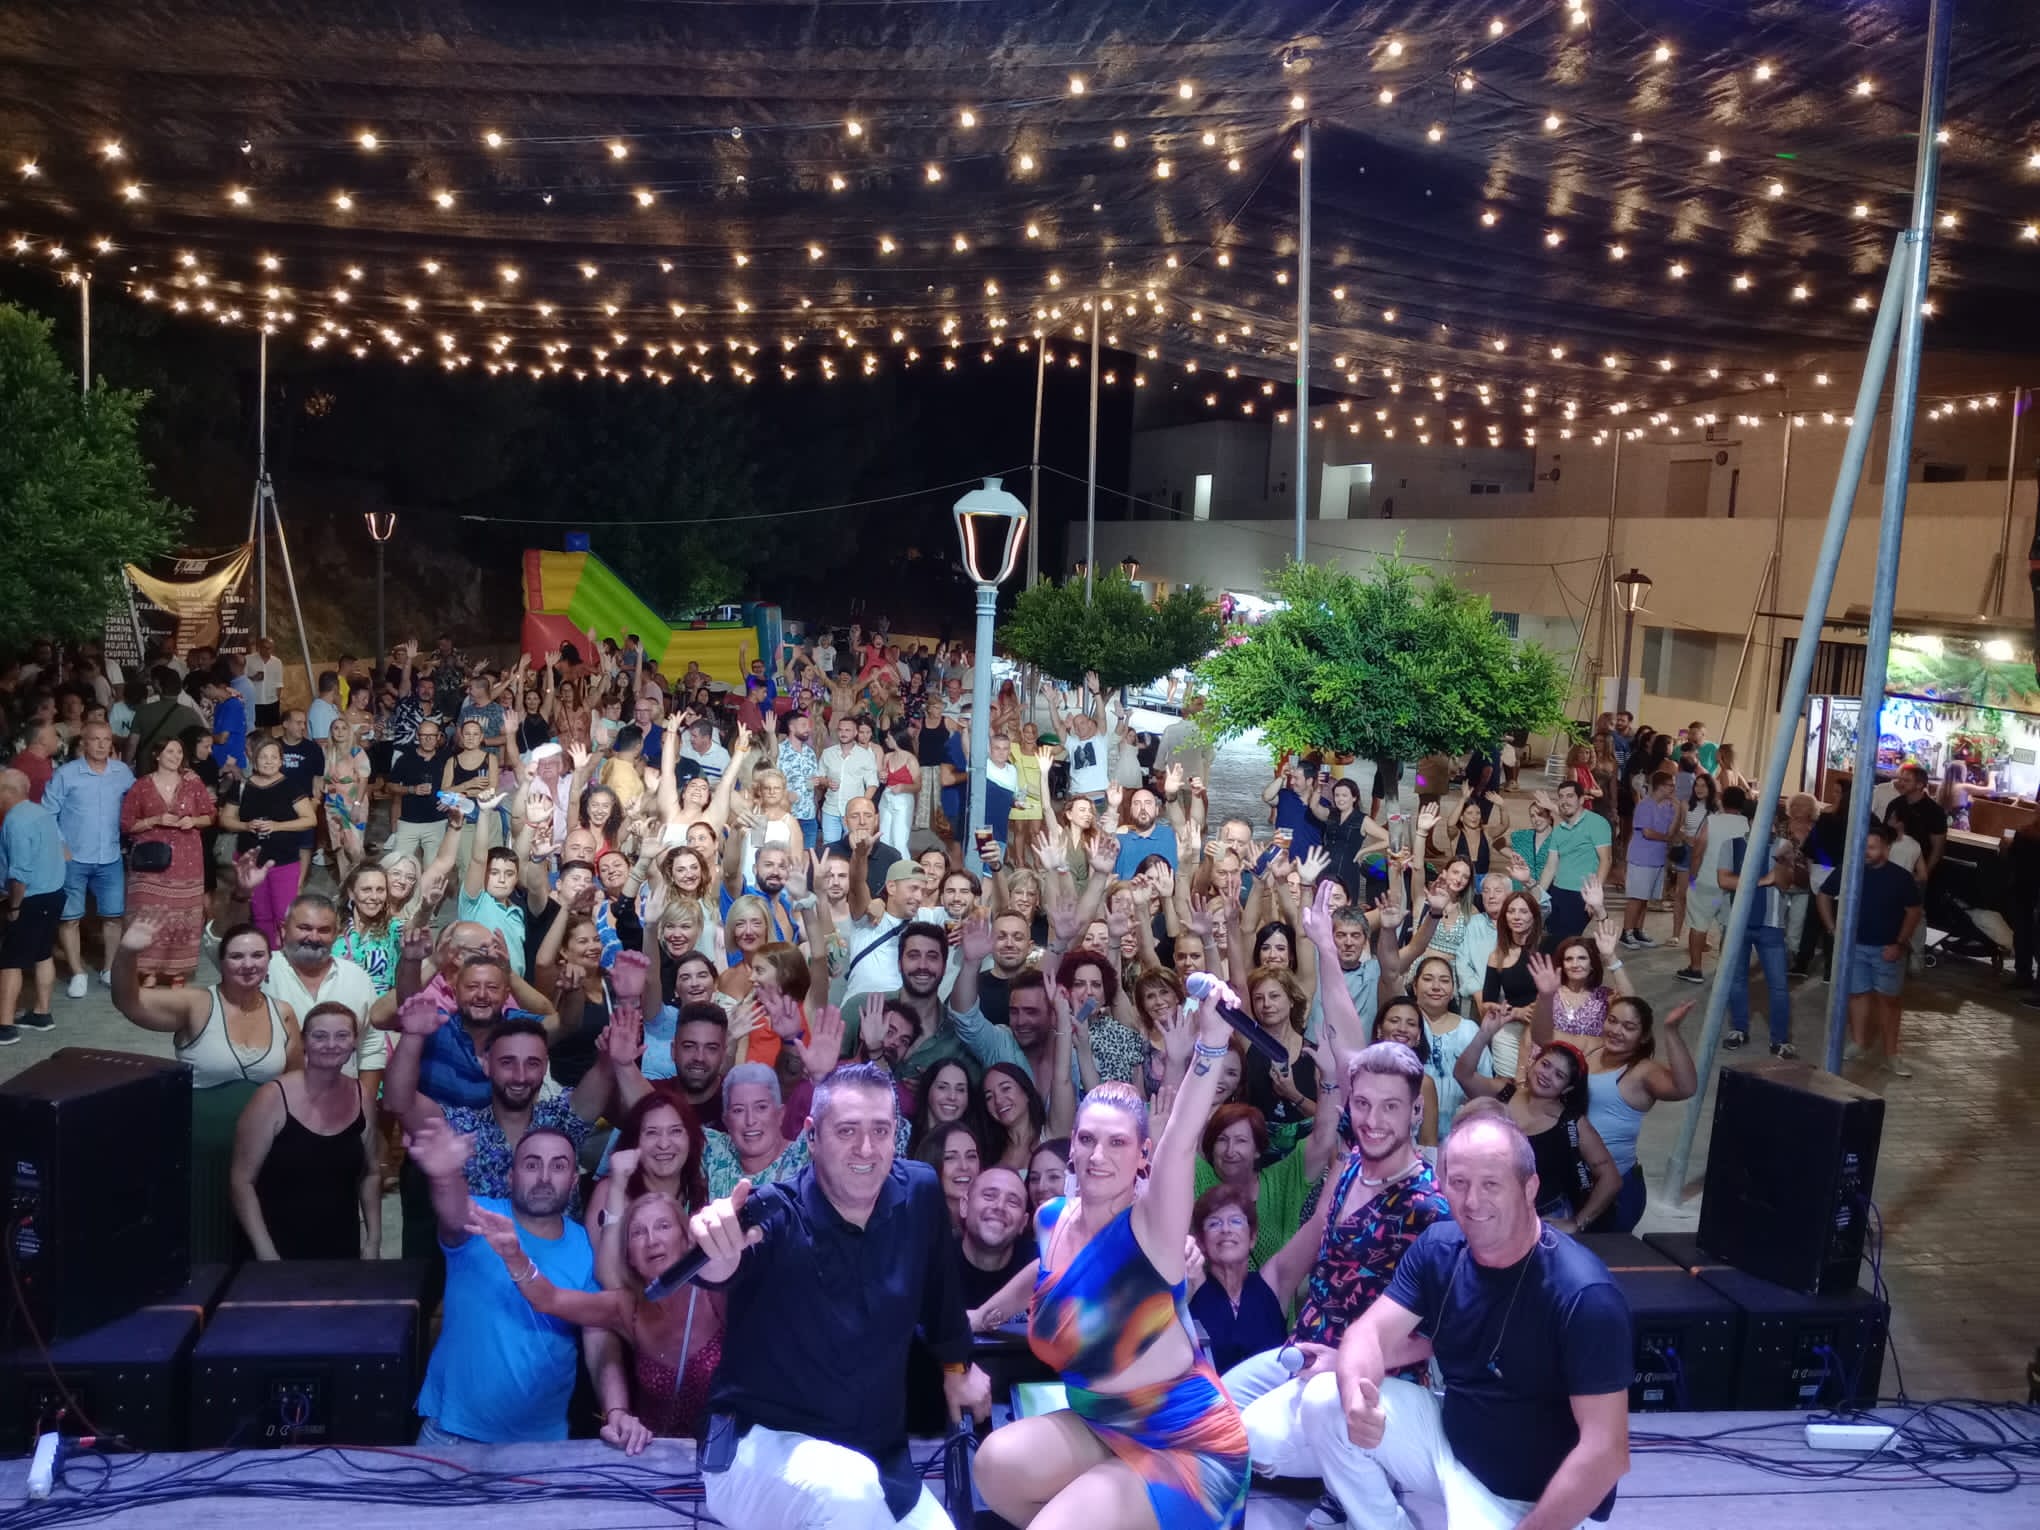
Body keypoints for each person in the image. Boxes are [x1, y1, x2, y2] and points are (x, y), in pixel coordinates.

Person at [974, 993, 1250, 1530]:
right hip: (1102, 1423)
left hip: (1187, 1443)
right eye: (1087, 1140)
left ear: (1142, 1155)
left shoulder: (1153, 1230)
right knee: (995, 1465)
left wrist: (1211, 1042)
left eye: (1118, 1143)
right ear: (1072, 1147)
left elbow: (1180, 1140)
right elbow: (1046, 1278)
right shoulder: (1050, 1218)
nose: (1099, 1156)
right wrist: (982, 1316)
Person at [689, 1062, 992, 1529]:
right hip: (755, 1452)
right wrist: (715, 1243)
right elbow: (721, 1266)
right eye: (847, 1130)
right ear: (812, 1136)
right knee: (848, 1492)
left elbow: (942, 1300)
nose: (866, 1148)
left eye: (880, 1131)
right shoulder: (773, 1212)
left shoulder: (920, 1193)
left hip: (878, 1462)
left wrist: (956, 1368)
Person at [1298, 1111, 1632, 1530]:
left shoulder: (1583, 1294)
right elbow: (1370, 1334)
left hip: (1538, 1501)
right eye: (1458, 1183)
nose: (1472, 1201)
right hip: (1454, 1451)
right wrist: (1356, 1399)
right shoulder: (1440, 1248)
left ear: (1530, 1187)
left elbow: (1606, 1452)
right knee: (1325, 1400)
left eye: (1491, 1184)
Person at [1218, 1042, 1451, 1513]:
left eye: (1390, 1106)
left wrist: (1343, 1361)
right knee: (1214, 1412)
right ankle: (1337, 1475)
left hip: (1370, 1374)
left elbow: (1438, 1334)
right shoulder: (1350, 1169)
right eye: (1363, 1103)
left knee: (1256, 1439)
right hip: (1305, 1348)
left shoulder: (1429, 1208)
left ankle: (1363, 1472)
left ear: (1416, 1111)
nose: (1373, 1119)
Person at [404, 1115, 633, 1447]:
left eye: (558, 1166)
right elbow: (453, 1213)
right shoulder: (483, 1218)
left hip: (544, 1444)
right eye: (531, 1164)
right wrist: (444, 1175)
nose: (544, 1177)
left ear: (573, 1181)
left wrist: (617, 1411)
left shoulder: (586, 1249)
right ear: (511, 1177)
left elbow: (600, 1346)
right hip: (451, 1435)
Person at [466, 1177, 724, 1443]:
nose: (652, 1240)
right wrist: (514, 1256)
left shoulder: (714, 1291)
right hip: (654, 1455)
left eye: (664, 1226)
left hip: (727, 1453)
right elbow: (548, 1299)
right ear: (629, 1257)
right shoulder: (626, 1307)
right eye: (638, 1233)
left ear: (686, 1240)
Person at [112, 914, 301, 1259]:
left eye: (257, 955)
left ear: (269, 961)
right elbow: (129, 1001)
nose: (248, 964)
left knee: (256, 1252)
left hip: (262, 1157)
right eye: (237, 956)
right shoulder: (197, 1004)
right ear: (221, 962)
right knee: (203, 1249)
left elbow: (295, 1084)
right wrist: (127, 953)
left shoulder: (283, 1013)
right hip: (200, 1156)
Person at [229, 1000, 380, 1259]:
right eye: (320, 1036)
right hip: (275, 1245)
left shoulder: (361, 1094)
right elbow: (241, 1182)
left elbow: (372, 1173)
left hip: (341, 1243)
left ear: (355, 1041)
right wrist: (267, 1254)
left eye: (342, 1036)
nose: (331, 1045)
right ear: (303, 1041)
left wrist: (373, 1241)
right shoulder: (271, 1097)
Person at [1455, 1002, 1620, 1234]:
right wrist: (1485, 1034)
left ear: (1567, 1088)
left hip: (1545, 1218)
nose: (1547, 1075)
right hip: (1492, 1209)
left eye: (1559, 1075)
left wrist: (1577, 1222)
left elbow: (1611, 1178)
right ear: (1533, 1063)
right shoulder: (1505, 1092)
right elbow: (1463, 1074)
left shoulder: (1571, 1123)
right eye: (1545, 1064)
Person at [1576, 995, 1696, 1233]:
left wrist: (1671, 1031)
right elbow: (1543, 1037)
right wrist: (1546, 996)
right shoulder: (1591, 1049)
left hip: (1616, 1190)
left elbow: (1686, 1088)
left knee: (1605, 1254)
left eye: (1629, 1027)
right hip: (1577, 1178)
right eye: (1612, 1021)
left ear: (1643, 1037)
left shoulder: (1643, 1071)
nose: (1616, 1031)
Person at [1817, 822, 1925, 1077]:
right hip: (1855, 947)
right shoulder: (1849, 870)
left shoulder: (1900, 877)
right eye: (1863, 846)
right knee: (1857, 995)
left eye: (1872, 847)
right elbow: (1823, 895)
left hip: (1887, 948)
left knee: (1889, 1001)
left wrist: (1899, 943)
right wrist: (1832, 929)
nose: (1866, 852)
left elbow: (1913, 912)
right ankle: (1858, 1041)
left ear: (1886, 849)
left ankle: (1891, 1054)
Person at [45, 720, 135, 998]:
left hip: (110, 856)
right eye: (95, 739)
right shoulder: (66, 774)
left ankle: (109, 969)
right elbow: (47, 812)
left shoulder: (122, 773)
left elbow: (139, 802)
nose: (101, 745)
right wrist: (60, 844)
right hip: (74, 857)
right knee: (69, 918)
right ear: (84, 743)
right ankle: (78, 973)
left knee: (113, 916)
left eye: (106, 740)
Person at [118, 734, 215, 986]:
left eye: (179, 752)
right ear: (157, 755)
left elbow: (210, 815)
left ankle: (176, 972)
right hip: (151, 859)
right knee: (148, 913)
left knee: (182, 915)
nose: (175, 757)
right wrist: (155, 820)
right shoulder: (141, 786)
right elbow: (127, 824)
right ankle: (148, 971)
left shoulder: (193, 783)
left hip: (187, 858)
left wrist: (193, 821)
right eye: (170, 751)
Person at [219, 737, 317, 946]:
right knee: (259, 914)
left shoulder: (291, 786)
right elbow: (226, 819)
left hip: (284, 861)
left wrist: (277, 826)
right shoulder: (242, 786)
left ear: (281, 761)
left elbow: (310, 819)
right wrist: (245, 826)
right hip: (251, 862)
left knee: (284, 914)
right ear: (254, 760)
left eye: (274, 757)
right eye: (264, 757)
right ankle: (266, 955)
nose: (269, 761)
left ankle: (286, 957)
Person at [1186, 1182, 1289, 1376]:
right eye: (1214, 1223)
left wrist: (1344, 1164)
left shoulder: (1274, 1280)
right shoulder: (1191, 1285)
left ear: (1252, 1238)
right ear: (1201, 1242)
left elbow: (1321, 1220)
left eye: (1235, 1221)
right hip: (1212, 1396)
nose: (1225, 1229)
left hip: (1275, 1394)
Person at [0, 767, 67, 1042]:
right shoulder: (42, 813)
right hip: (54, 893)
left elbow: (20, 872)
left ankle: (5, 1027)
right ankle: (41, 1013)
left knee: (10, 961)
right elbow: (64, 852)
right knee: (43, 953)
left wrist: (14, 907)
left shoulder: (15, 822)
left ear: (7, 792)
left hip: (30, 897)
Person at [956, 1164, 1035, 1314]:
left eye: (1013, 1202)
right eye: (989, 1196)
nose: (999, 1206)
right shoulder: (932, 1264)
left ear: (1023, 1223)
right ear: (965, 1206)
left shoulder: (1042, 1268)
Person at [1538, 782, 1610, 941]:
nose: (1564, 801)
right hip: (1556, 892)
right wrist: (1538, 896)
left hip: (1581, 894)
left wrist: (1594, 897)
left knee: (1567, 941)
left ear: (1582, 799)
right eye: (1561, 797)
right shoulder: (1559, 830)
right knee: (1550, 940)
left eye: (1570, 796)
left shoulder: (1597, 823)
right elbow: (1550, 867)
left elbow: (1606, 860)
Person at [1619, 770, 1677, 947]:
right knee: (1636, 897)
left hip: (1657, 858)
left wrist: (1677, 811)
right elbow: (1648, 832)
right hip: (1642, 858)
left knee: (1645, 898)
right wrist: (1666, 838)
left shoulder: (1668, 806)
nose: (1673, 788)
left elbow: (1672, 829)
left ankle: (1638, 929)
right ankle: (1626, 931)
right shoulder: (1645, 806)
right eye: (1670, 785)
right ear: (1660, 786)